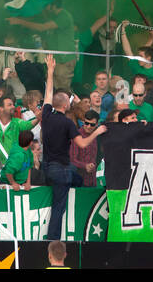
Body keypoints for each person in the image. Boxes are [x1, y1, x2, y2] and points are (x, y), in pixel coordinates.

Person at [40, 54, 107, 241]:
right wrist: (97, 131)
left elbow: (48, 94)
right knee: (58, 208)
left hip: (49, 167)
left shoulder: (46, 115)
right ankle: (52, 240)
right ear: (65, 104)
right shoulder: (68, 123)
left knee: (76, 177)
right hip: (61, 170)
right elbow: (83, 143)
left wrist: (51, 72)